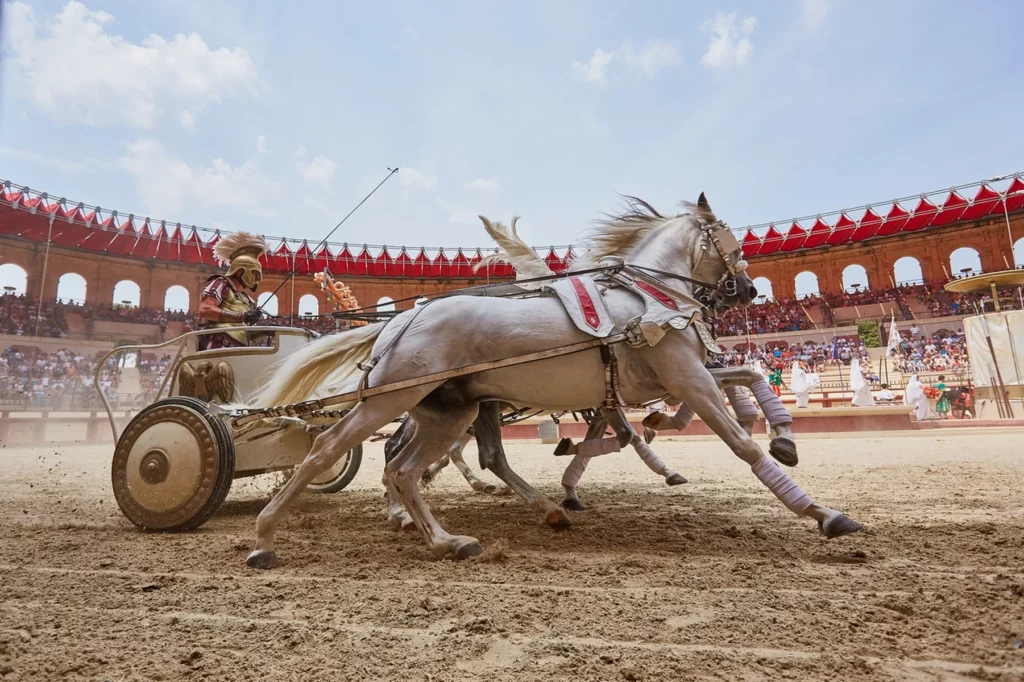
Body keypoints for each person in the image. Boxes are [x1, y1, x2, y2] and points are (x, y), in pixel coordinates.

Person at [197, 231, 271, 351]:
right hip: (216, 345)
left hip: (239, 350)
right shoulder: (221, 283)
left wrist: (267, 330)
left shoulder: (248, 300)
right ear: (239, 271)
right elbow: (205, 310)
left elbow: (247, 332)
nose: (258, 279)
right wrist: (242, 317)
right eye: (255, 273)